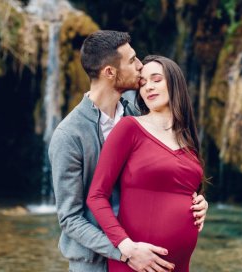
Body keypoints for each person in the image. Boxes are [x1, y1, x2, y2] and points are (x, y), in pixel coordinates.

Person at [48, 31, 208, 272]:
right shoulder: (69, 135)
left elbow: (163, 177)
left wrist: (196, 202)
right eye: (132, 60)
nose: (140, 65)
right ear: (110, 72)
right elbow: (70, 218)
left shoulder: (139, 118)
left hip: (150, 256)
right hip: (95, 262)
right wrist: (124, 250)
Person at [87, 55, 204, 272]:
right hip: (137, 263)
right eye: (143, 83)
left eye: (156, 79)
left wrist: (201, 204)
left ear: (174, 82)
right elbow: (96, 195)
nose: (148, 87)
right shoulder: (129, 128)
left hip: (179, 265)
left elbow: (180, 188)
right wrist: (126, 248)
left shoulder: (187, 138)